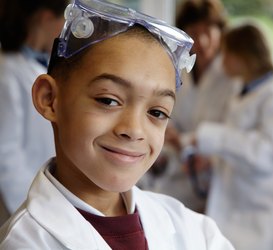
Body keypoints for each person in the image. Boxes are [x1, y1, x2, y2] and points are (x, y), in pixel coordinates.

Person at [0, 0, 234, 249]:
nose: (133, 130)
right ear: (49, 99)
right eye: (108, 100)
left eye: (157, 112)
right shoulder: (25, 242)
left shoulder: (198, 232)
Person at [190, 22, 273, 250]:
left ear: (243, 56)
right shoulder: (244, 92)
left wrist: (214, 138)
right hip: (236, 208)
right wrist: (210, 160)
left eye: (226, 54)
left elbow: (268, 155)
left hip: (260, 216)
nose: (222, 62)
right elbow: (239, 148)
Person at [140, 0, 240, 213]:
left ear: (221, 32)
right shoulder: (180, 74)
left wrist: (198, 149)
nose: (202, 41)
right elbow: (170, 119)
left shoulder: (234, 78)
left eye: (209, 32)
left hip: (217, 180)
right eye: (194, 32)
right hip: (179, 172)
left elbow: (237, 137)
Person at [0, 0, 67, 223]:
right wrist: (28, 208)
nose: (63, 32)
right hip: (23, 202)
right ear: (46, 18)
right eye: (62, 22)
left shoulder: (40, 65)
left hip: (45, 196)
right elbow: (5, 153)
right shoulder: (7, 72)